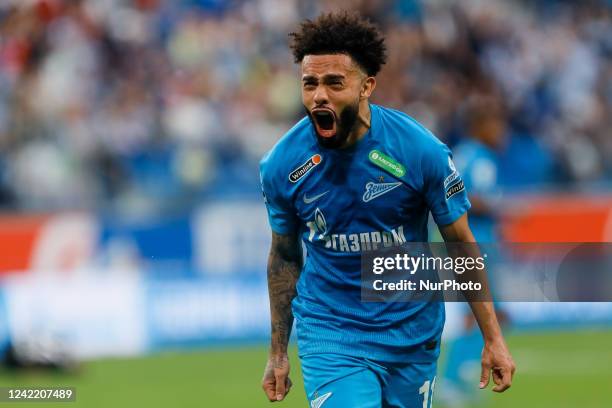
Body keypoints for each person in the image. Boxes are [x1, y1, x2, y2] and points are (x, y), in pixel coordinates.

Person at [259, 12, 515, 407]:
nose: (319, 96)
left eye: (334, 83)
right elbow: (284, 256)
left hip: (411, 334)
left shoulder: (419, 151)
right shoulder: (281, 166)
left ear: (367, 86)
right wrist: (277, 353)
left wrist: (493, 339)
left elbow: (460, 243)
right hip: (332, 332)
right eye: (309, 84)